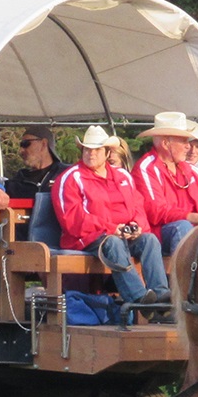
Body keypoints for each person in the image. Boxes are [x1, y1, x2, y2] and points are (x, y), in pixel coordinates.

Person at [51, 124, 169, 310]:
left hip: (121, 234)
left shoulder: (123, 176)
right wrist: (111, 228)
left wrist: (137, 226)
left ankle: (162, 295)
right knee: (112, 243)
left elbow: (138, 206)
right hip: (87, 238)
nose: (91, 154)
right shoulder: (71, 178)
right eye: (87, 149)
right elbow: (72, 220)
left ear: (107, 152)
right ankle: (138, 300)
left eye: (97, 149)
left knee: (150, 240)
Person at [132, 111, 198, 255]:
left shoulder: (191, 171)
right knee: (182, 227)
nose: (188, 147)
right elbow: (156, 212)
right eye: (184, 141)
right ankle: (182, 277)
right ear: (166, 143)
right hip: (159, 235)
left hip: (193, 232)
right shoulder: (147, 168)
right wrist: (196, 217)